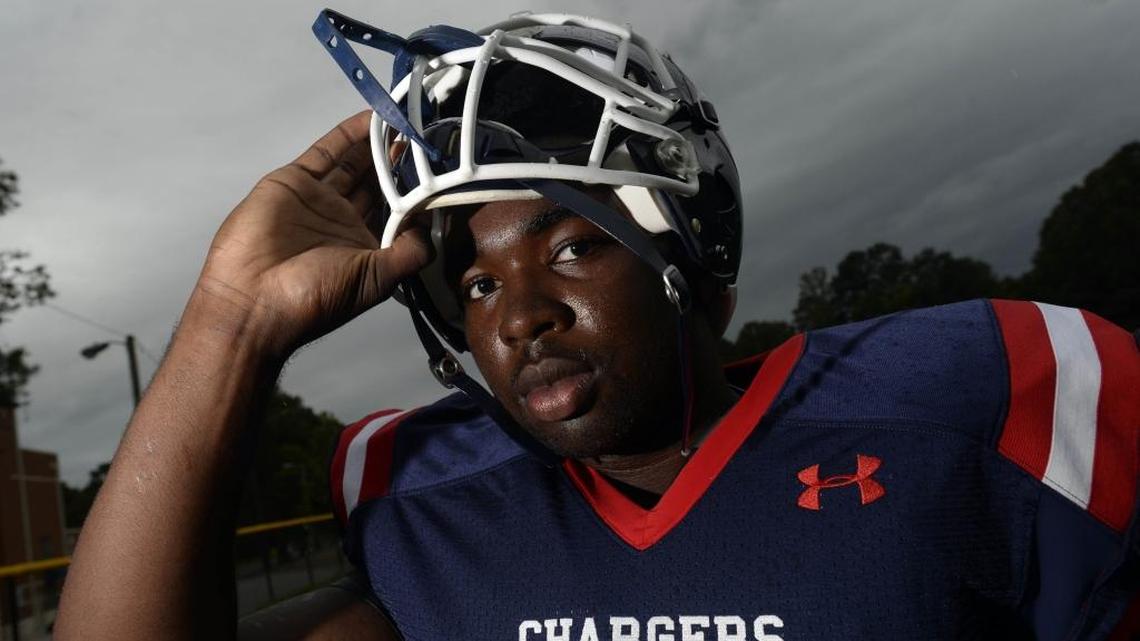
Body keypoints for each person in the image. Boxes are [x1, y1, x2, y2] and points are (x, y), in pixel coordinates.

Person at [55, 10, 1139, 641]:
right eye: (475, 284)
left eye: (572, 246)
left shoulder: (973, 403)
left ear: (688, 248)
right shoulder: (431, 503)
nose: (522, 314)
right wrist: (231, 323)